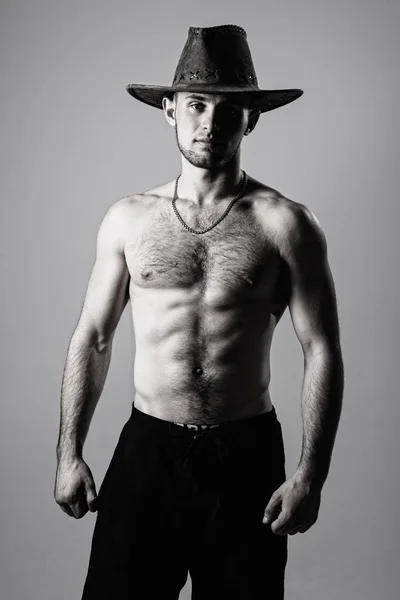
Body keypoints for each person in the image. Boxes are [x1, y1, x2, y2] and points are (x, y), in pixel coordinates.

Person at [54, 24, 344, 600]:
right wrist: (68, 454)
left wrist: (311, 476)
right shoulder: (129, 219)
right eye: (195, 105)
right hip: (148, 450)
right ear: (170, 110)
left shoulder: (286, 224)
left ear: (252, 119)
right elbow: (93, 338)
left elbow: (322, 349)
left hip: (246, 455)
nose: (209, 123)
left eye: (229, 109)